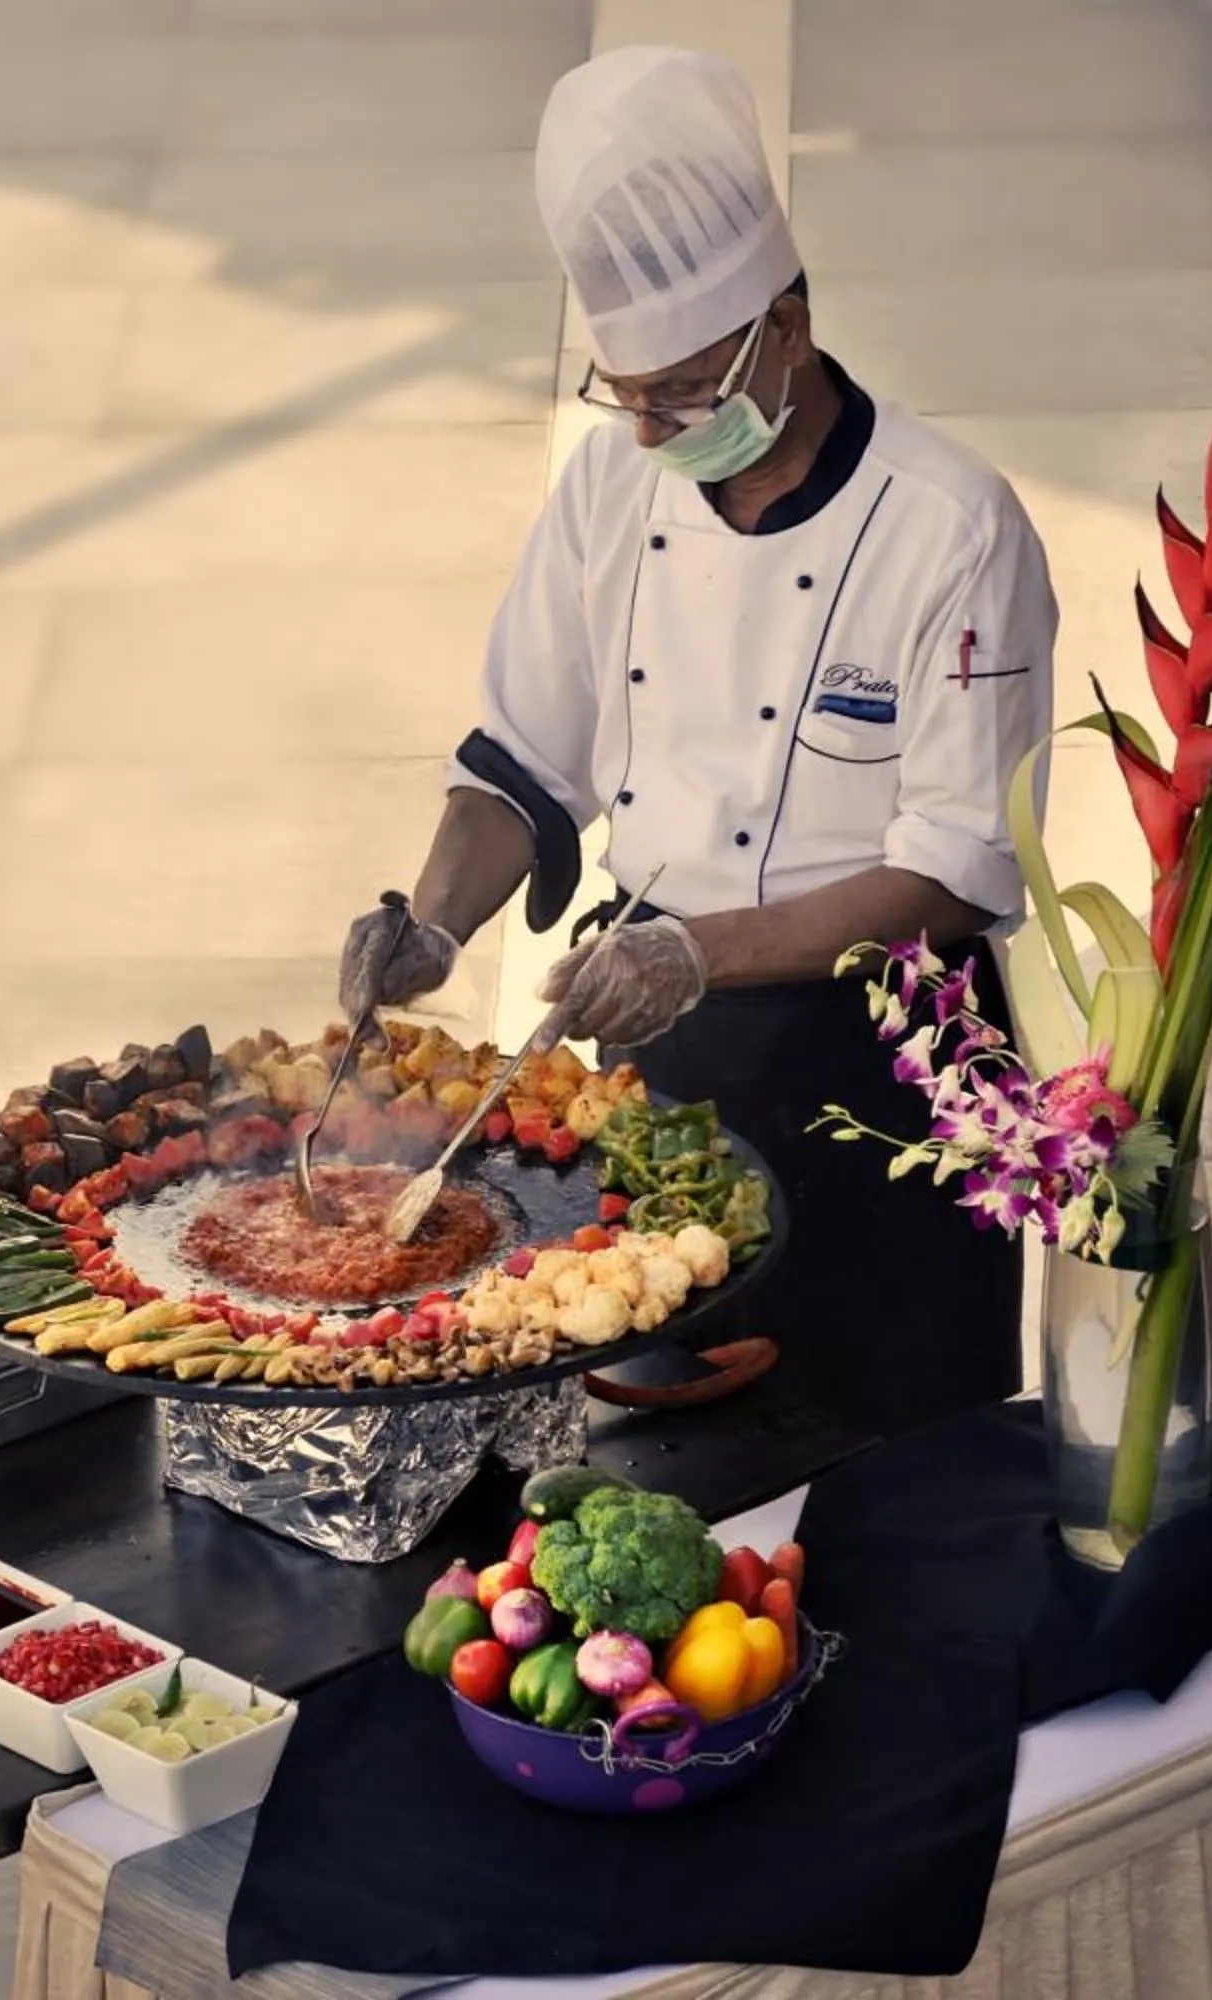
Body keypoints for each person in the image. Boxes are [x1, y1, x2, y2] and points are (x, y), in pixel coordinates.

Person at [335, 46, 1058, 1438]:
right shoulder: (617, 480)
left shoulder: (955, 529)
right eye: (633, 395)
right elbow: (520, 758)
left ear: (785, 321)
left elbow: (957, 870)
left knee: (893, 1475)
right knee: (662, 1462)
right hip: (660, 1062)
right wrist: (432, 927)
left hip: (889, 1071)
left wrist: (694, 950)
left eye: (684, 390)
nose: (658, 428)